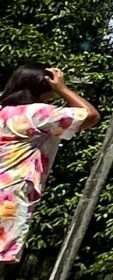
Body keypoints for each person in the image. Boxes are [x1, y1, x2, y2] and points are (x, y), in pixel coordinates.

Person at [0, 63, 99, 268]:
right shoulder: (37, 113)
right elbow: (90, 116)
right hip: (11, 191)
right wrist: (62, 88)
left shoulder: (3, 111)